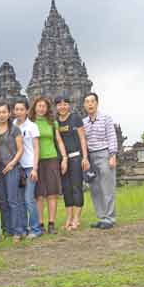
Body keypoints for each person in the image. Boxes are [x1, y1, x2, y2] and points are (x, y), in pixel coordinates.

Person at [29, 97, 68, 234]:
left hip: (51, 159)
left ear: (47, 108)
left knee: (52, 193)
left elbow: (59, 141)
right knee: (39, 194)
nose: (41, 108)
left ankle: (51, 223)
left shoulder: (52, 123)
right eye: (39, 106)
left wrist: (64, 158)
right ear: (34, 107)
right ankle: (40, 223)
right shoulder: (30, 123)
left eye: (44, 106)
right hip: (35, 161)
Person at [83, 93, 118, 230]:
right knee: (95, 189)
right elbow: (83, 141)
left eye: (92, 101)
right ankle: (102, 217)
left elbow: (112, 137)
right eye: (87, 102)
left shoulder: (106, 119)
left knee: (107, 187)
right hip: (90, 156)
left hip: (104, 154)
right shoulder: (84, 122)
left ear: (97, 103)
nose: (90, 104)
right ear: (84, 105)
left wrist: (112, 155)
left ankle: (110, 218)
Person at [55, 96, 89, 231]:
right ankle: (69, 218)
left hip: (76, 157)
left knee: (76, 187)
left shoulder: (75, 118)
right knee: (66, 189)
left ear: (69, 105)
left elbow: (82, 138)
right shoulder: (56, 122)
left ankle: (76, 219)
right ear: (56, 107)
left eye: (65, 104)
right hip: (63, 160)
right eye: (59, 104)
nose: (62, 107)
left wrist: (85, 157)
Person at [0, 102, 25, 243]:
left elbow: (20, 149)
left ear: (9, 113)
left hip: (12, 168)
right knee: (2, 201)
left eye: (4, 112)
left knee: (13, 200)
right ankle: (6, 230)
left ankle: (17, 230)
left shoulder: (15, 129)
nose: (1, 115)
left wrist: (12, 163)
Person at [13, 99, 42, 239]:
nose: (18, 112)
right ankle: (23, 228)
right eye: (16, 109)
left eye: (21, 109)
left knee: (29, 198)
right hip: (18, 167)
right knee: (20, 200)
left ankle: (36, 229)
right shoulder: (12, 125)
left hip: (30, 166)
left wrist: (35, 168)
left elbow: (37, 148)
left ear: (26, 110)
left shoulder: (32, 126)